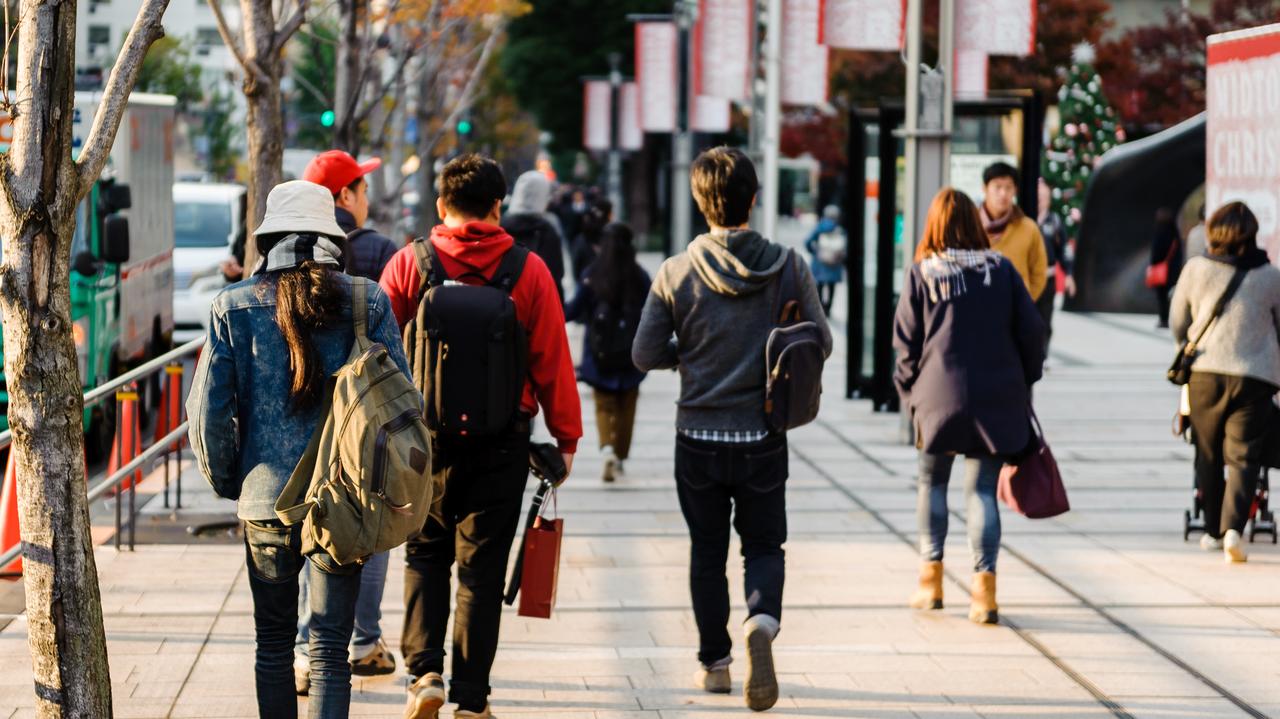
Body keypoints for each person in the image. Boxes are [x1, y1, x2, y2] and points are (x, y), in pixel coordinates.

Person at [187, 181, 411, 718]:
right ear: (332, 236)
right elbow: (404, 401)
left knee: (273, 645)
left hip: (265, 499)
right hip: (346, 500)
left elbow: (208, 415)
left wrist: (230, 479)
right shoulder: (367, 301)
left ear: (268, 239)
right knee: (331, 650)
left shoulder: (233, 307)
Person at [379, 154, 582, 719]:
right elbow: (552, 360)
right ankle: (472, 699)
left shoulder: (408, 265)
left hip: (423, 440)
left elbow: (375, 349)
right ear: (499, 209)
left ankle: (424, 677)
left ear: (442, 205)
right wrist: (565, 438)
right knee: (481, 569)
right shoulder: (529, 270)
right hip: (502, 442)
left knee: (424, 555)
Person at [633, 147, 832, 712]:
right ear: (753, 198)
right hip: (763, 436)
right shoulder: (788, 264)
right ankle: (762, 622)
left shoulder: (676, 272)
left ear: (701, 202)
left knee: (706, 551)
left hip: (697, 436)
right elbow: (822, 340)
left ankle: (715, 664)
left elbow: (644, 353)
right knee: (764, 543)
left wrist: (691, 356)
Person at [892, 187, 1045, 626]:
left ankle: (931, 582)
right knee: (981, 492)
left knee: (931, 483)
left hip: (938, 397)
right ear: (975, 224)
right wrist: (1023, 379)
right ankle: (984, 592)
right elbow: (1032, 333)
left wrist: (910, 396)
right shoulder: (1002, 270)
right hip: (996, 399)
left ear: (934, 225)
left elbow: (905, 344)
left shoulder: (923, 273)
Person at [292, 150, 400, 689]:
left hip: (301, 419)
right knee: (369, 526)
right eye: (361, 186)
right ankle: (363, 639)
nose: (366, 196)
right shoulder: (380, 252)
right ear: (343, 197)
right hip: (366, 423)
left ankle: (303, 650)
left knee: (307, 526)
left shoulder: (289, 257)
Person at [1170, 201, 1280, 563]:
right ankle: (1235, 529)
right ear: (1251, 234)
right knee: (1244, 456)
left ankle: (1214, 531)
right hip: (1254, 377)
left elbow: (1177, 321)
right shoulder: (1269, 275)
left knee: (1208, 452)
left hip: (1204, 374)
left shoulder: (1196, 269)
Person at [564, 222, 651, 483]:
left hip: (599, 354)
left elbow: (574, 309)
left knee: (603, 405)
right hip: (632, 354)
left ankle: (607, 449)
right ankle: (621, 456)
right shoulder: (640, 276)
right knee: (628, 405)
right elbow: (653, 313)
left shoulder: (593, 274)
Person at [303, 150, 399, 282]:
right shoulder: (380, 249)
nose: (367, 203)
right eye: (364, 191)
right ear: (346, 196)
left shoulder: (293, 247)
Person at [979, 162, 1047, 302]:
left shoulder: (1028, 228)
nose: (1003, 193)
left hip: (1015, 314)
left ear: (1015, 190)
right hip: (977, 309)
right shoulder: (970, 225)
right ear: (985, 188)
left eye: (1008, 187)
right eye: (997, 187)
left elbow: (1039, 274)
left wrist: (1023, 303)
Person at [505, 170, 567, 303]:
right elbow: (555, 276)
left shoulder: (501, 227)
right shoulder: (547, 231)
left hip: (504, 306)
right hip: (537, 305)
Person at [1035, 178, 1072, 356]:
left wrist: (1069, 275)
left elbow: (1064, 250)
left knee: (1045, 319)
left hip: (1048, 277)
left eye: (1044, 196)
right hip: (1027, 278)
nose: (1040, 199)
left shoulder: (1054, 221)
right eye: (1038, 196)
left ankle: (1043, 354)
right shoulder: (1025, 220)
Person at [803, 205, 846, 316]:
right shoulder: (840, 229)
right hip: (834, 263)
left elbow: (807, 242)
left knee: (819, 285)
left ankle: (821, 307)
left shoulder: (819, 227)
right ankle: (828, 308)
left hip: (820, 262)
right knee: (832, 287)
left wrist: (814, 252)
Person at [1149, 207, 1182, 329]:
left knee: (1162, 296)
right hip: (1173, 270)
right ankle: (1172, 318)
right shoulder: (1174, 233)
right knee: (1172, 296)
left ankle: (1164, 319)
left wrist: (1153, 265)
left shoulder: (1160, 232)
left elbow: (1156, 252)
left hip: (1161, 269)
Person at [571, 197, 612, 282]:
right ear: (608, 214)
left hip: (586, 284)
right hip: (608, 287)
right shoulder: (612, 237)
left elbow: (576, 267)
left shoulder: (582, 238)